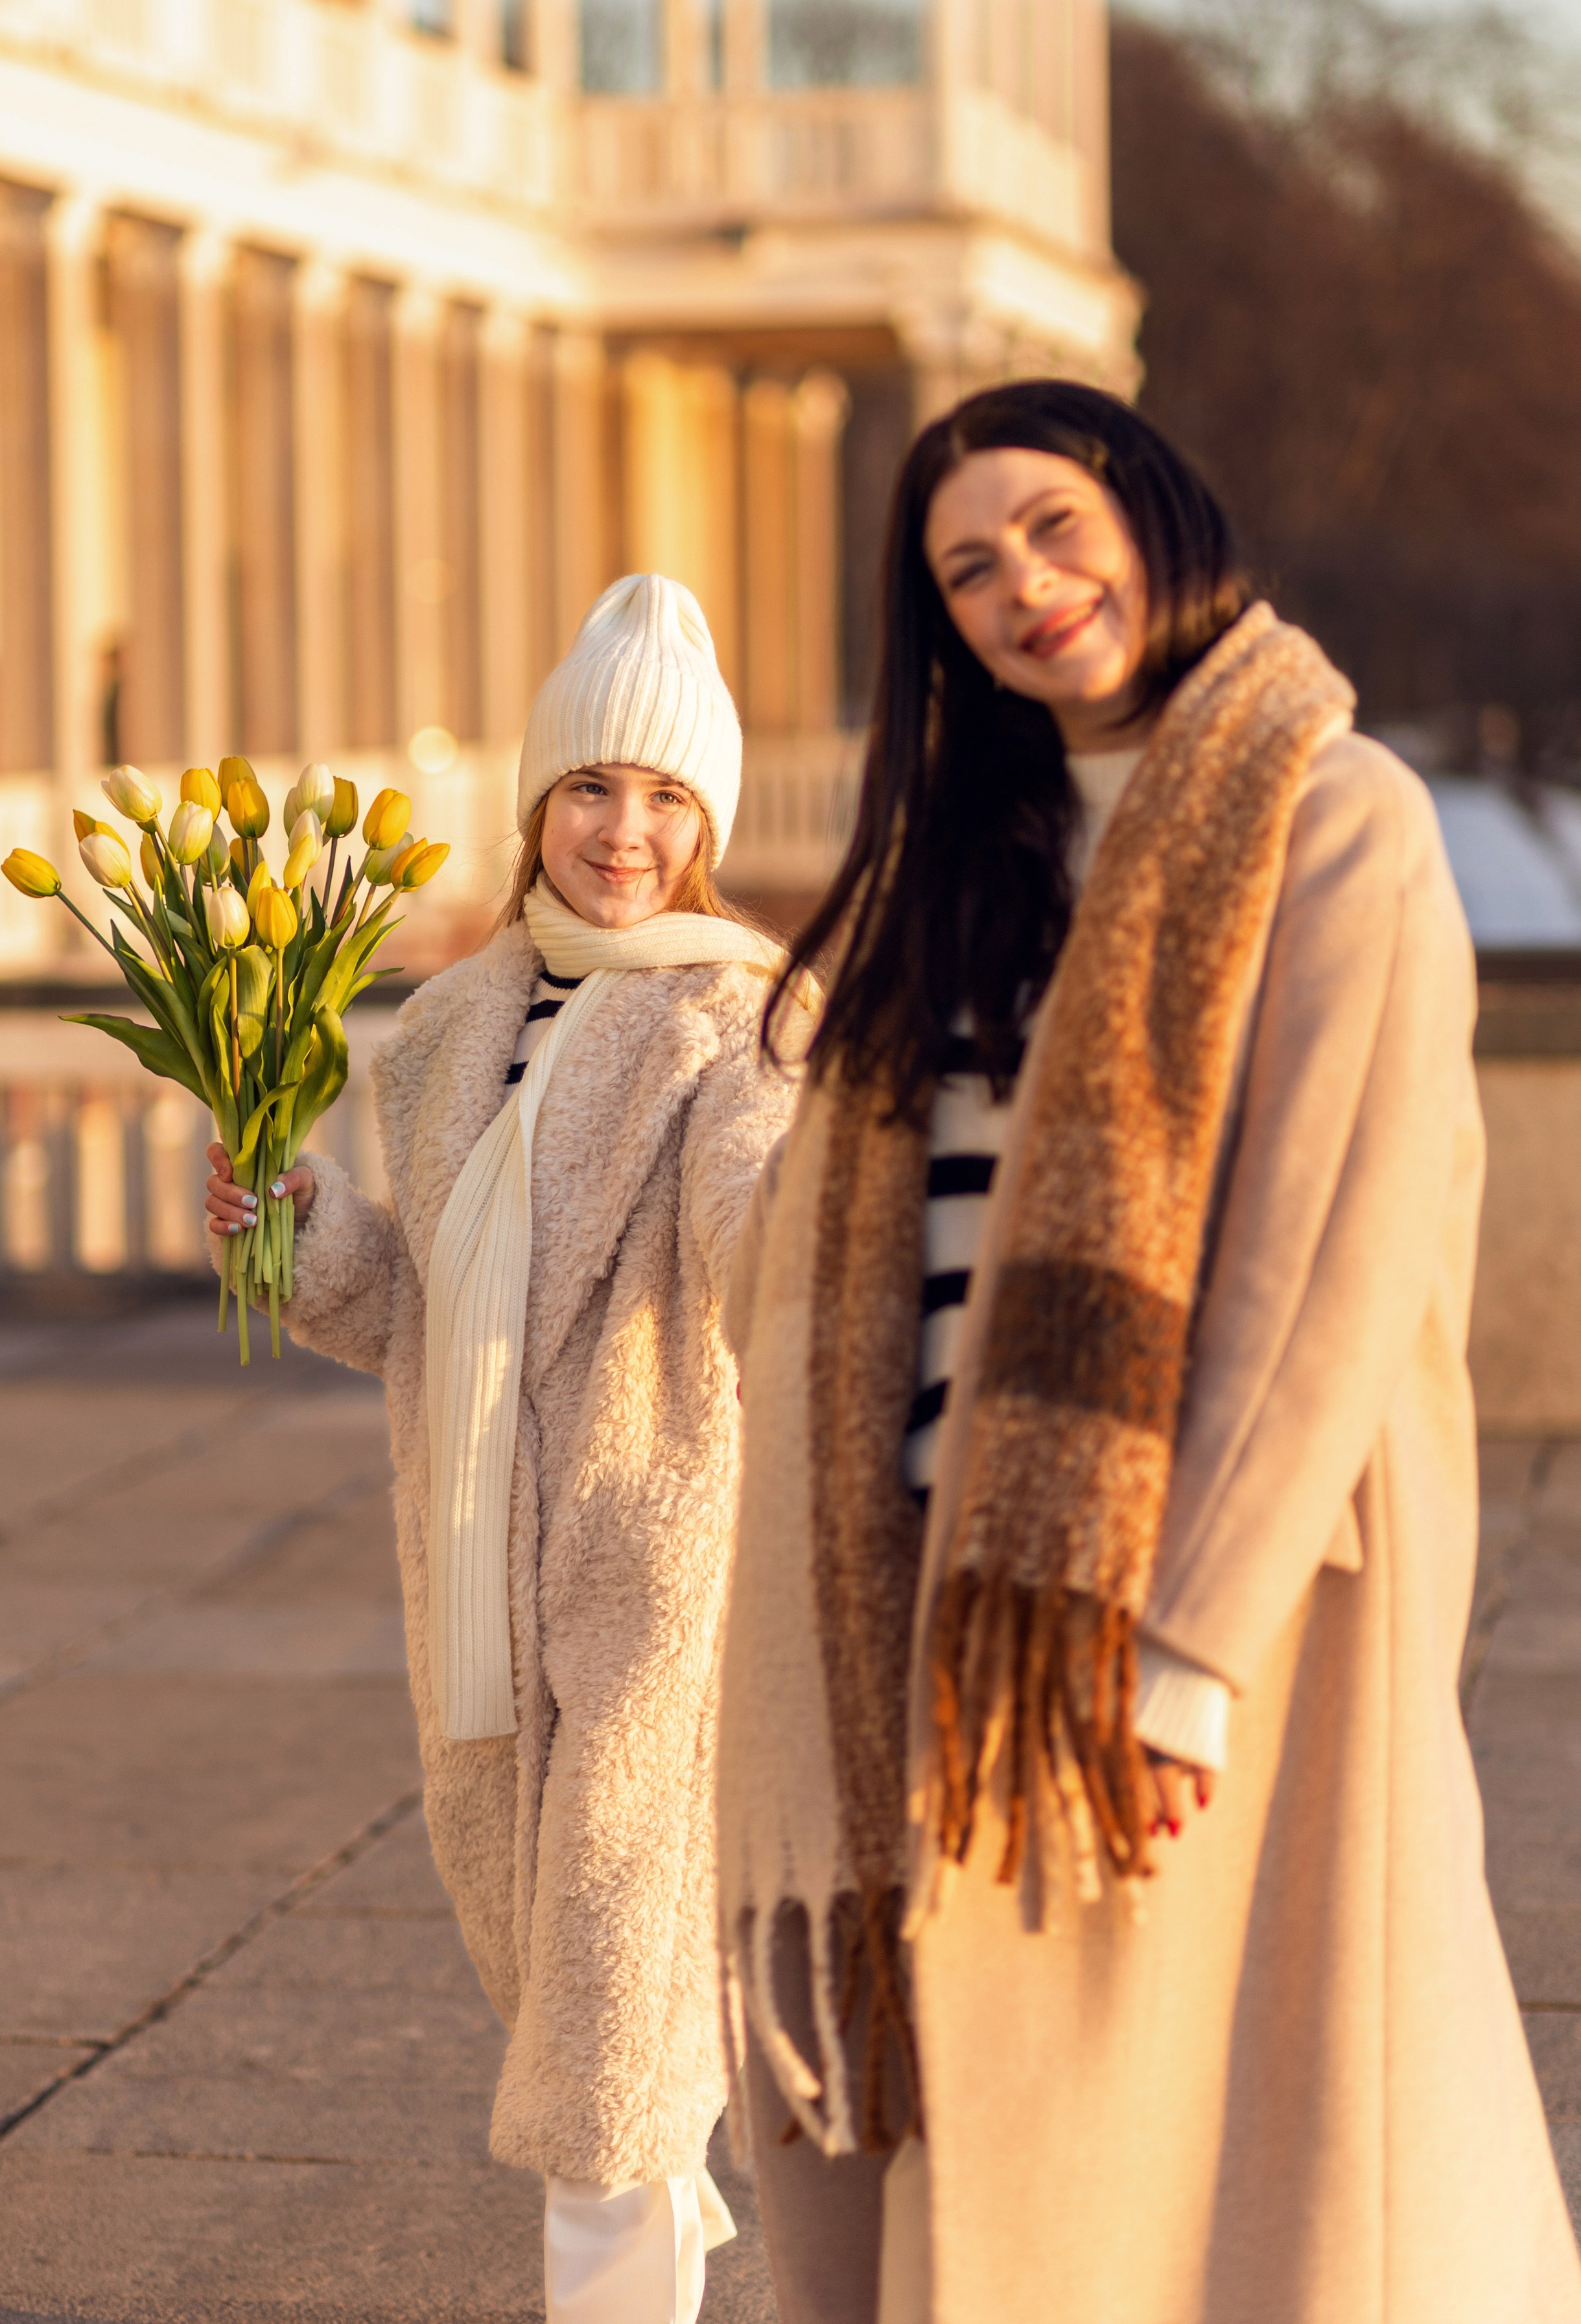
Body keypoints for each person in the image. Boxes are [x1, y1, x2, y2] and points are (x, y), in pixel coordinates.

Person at [716, 382, 1581, 2324]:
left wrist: (1188, 1636)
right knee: (1018, 2145)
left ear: (1149, 510)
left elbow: (1330, 1251)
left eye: (1050, 526)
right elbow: (831, 1233)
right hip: (952, 1581)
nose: (1022, 586)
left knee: (1230, 2153)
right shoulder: (973, 862)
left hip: (1209, 1600)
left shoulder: (1330, 812)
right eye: (966, 569)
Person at [206, 574, 809, 2324]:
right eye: (596, 788)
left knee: (608, 2042)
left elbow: (755, 1221)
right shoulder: (448, 1026)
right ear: (539, 799)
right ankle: (678, 2224)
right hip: (476, 1592)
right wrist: (298, 1232)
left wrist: (824, 1210)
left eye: (669, 796)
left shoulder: (743, 1021)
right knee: (567, 1996)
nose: (628, 831)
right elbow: (415, 1314)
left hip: (651, 1591)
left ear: (710, 826)